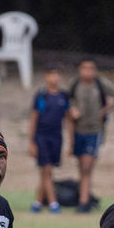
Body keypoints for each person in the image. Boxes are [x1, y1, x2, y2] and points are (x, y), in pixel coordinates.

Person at [68, 59, 114, 213]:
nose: (88, 71)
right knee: (81, 167)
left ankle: (84, 202)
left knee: (87, 166)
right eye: (85, 68)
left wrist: (106, 109)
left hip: (95, 131)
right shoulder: (75, 84)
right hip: (78, 131)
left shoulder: (100, 83)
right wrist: (72, 110)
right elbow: (66, 101)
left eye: (91, 68)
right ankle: (86, 197)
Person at [29, 65, 70, 214]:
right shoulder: (41, 96)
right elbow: (33, 119)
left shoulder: (64, 96)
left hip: (57, 138)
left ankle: (37, 203)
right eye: (51, 74)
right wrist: (32, 142)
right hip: (42, 138)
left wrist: (70, 142)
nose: (54, 78)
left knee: (47, 171)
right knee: (46, 169)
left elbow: (69, 119)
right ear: (46, 77)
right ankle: (54, 203)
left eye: (57, 74)